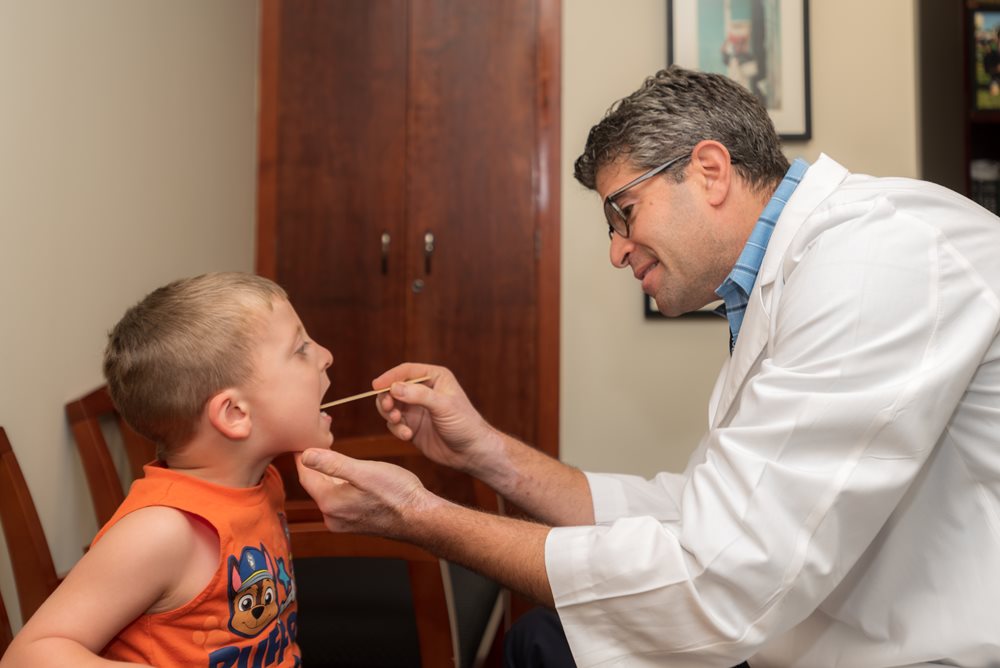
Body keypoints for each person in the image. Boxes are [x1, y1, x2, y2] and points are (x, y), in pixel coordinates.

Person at [296, 65, 1000, 667]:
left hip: (919, 651)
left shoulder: (874, 264)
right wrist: (483, 452)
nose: (616, 249)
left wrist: (421, 517)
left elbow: (718, 575)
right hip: (805, 631)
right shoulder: (783, 284)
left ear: (710, 170)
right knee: (546, 640)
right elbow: (696, 513)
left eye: (623, 213)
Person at [2, 272, 334, 667]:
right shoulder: (163, 529)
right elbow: (28, 656)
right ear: (234, 413)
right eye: (301, 348)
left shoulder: (265, 481)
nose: (325, 355)